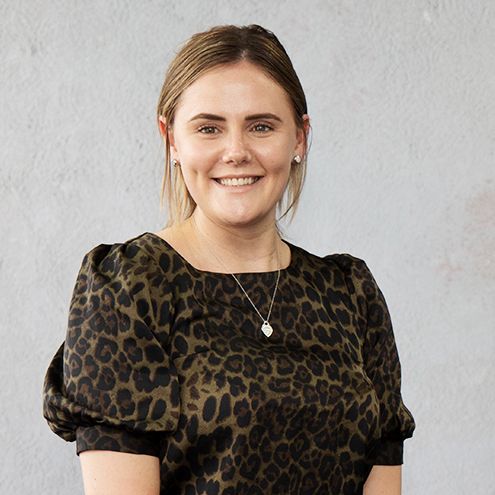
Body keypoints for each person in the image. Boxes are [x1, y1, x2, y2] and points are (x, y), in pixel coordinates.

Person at [42, 23, 416, 495]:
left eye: (261, 126)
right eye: (209, 128)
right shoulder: (128, 288)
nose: (236, 151)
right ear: (171, 140)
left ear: (299, 138)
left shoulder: (349, 292)